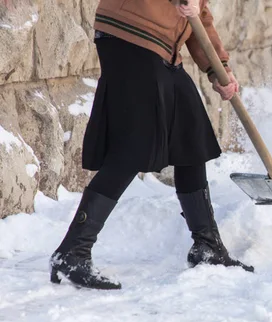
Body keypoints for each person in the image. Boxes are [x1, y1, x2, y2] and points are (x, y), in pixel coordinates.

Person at [49, 0, 254, 291]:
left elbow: (199, 15)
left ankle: (207, 246)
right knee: (134, 145)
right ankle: (73, 251)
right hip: (131, 33)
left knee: (189, 134)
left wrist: (218, 68)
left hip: (163, 50)